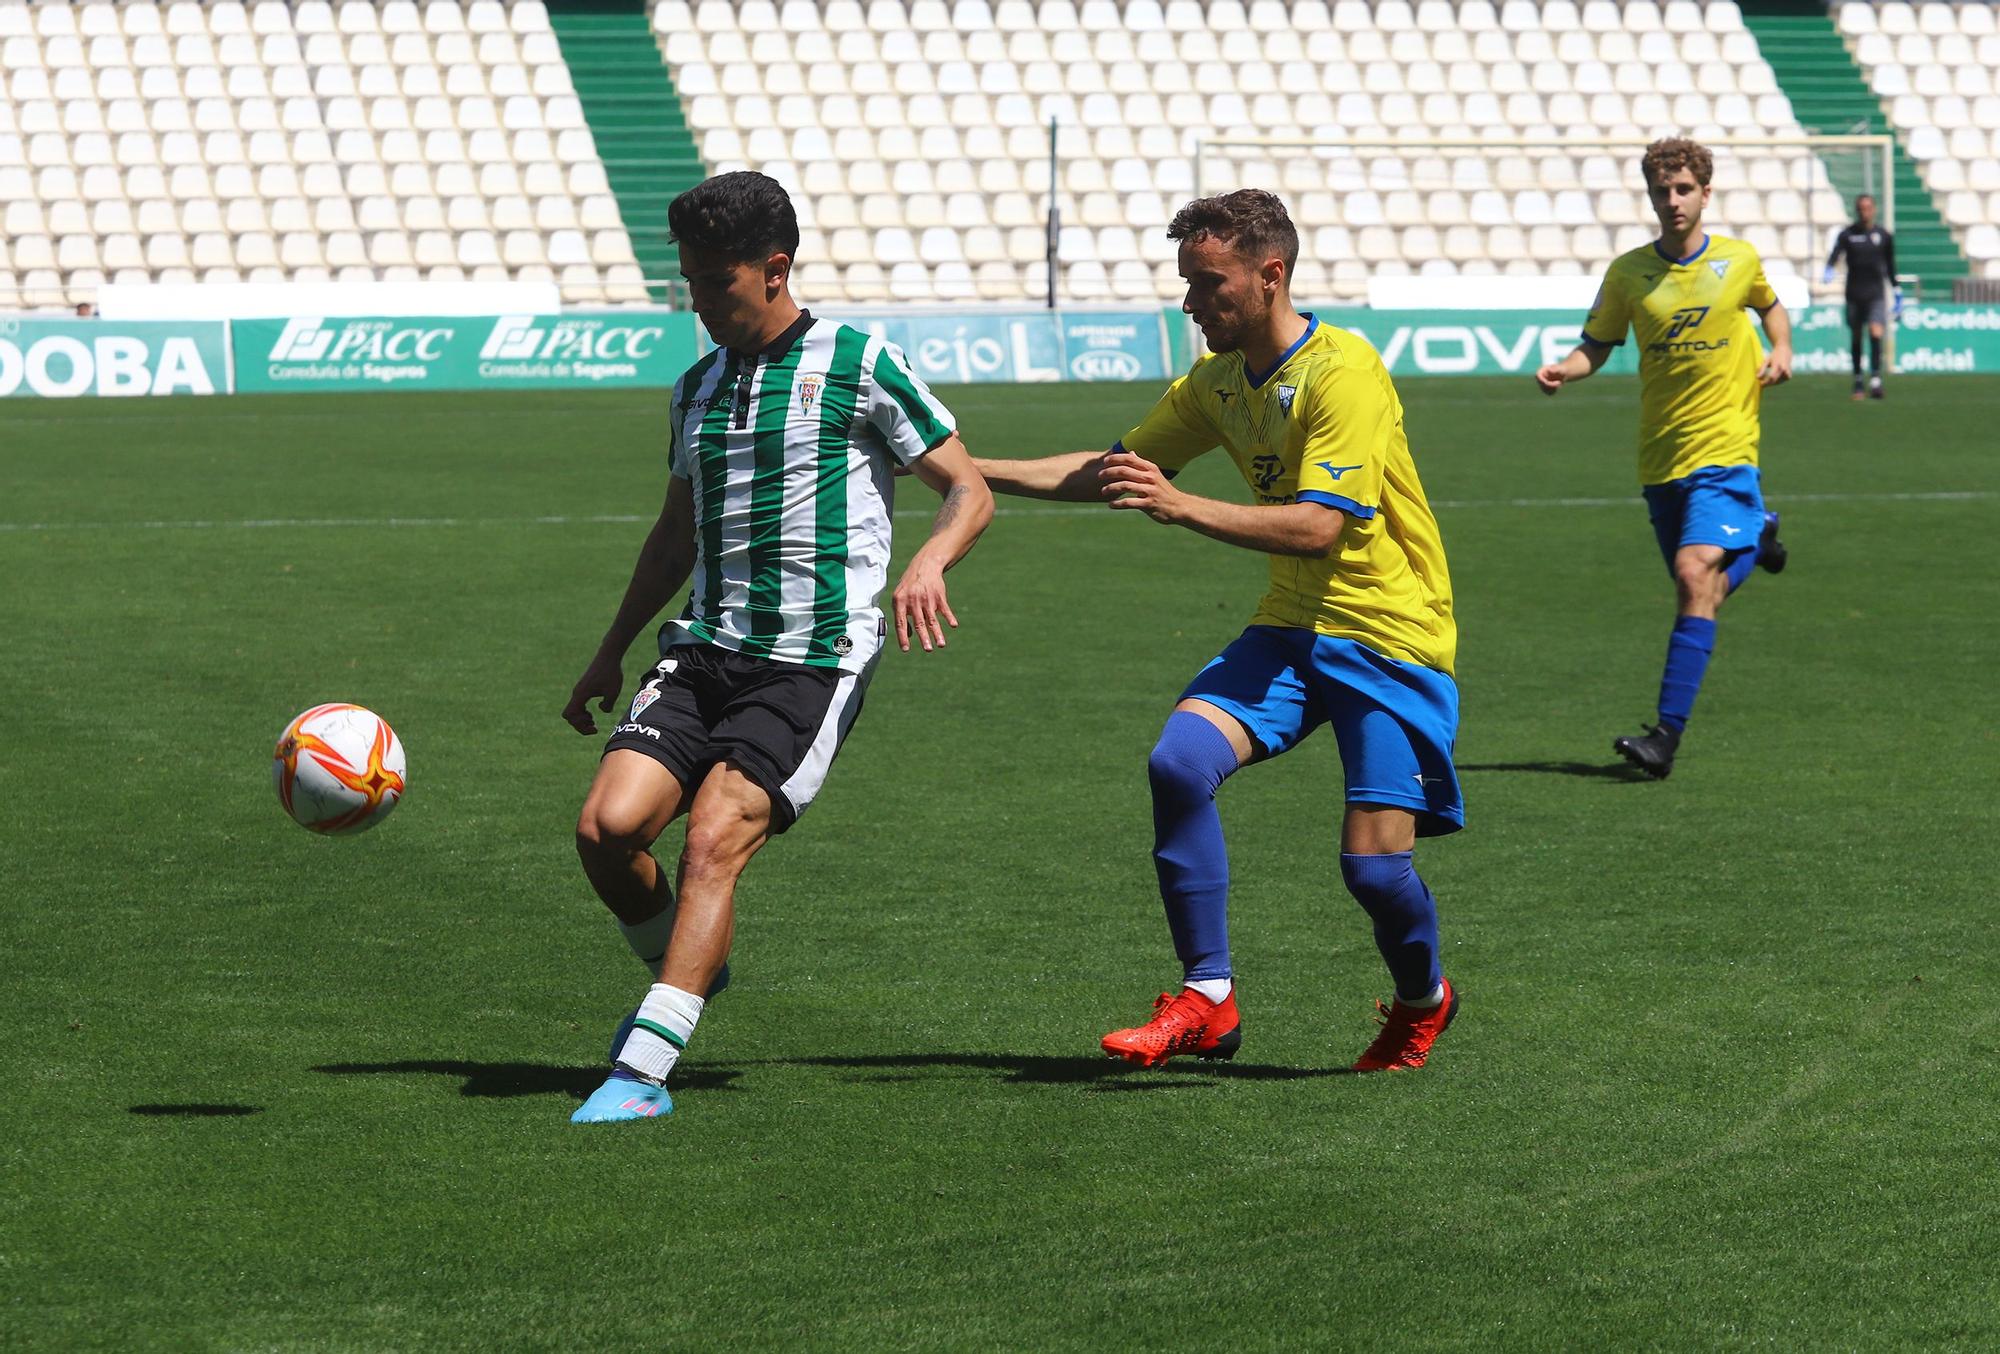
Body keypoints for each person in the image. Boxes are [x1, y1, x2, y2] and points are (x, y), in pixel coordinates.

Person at [974, 190, 1464, 1073]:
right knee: (1177, 762)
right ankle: (1208, 997)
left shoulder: (1342, 373)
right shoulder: (1217, 382)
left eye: (1208, 285)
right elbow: (1114, 469)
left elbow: (1320, 527)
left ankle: (1424, 1000)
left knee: (1375, 875)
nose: (1192, 304)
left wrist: (1181, 505)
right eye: (1187, 285)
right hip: (1292, 627)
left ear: (1270, 275)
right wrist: (962, 466)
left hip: (1390, 635)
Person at [560, 171, 994, 1123]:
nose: (701, 304)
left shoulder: (858, 362)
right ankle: (690, 966)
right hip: (704, 648)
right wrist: (609, 649)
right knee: (606, 831)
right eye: (690, 283)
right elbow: (674, 534)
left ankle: (642, 1070)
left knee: (715, 838)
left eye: (717, 283)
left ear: (775, 269)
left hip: (813, 656)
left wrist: (929, 561)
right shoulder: (695, 391)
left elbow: (968, 487)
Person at [1535, 137, 1793, 779]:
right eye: (1662, 191)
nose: (1672, 201)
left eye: (1684, 190)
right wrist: (1565, 370)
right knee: (1699, 589)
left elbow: (1772, 308)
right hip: (1661, 457)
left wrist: (1780, 349)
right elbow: (1597, 344)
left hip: (1728, 448)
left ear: (1706, 193)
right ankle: (1758, 540)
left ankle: (1665, 738)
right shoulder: (1628, 273)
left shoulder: (1737, 261)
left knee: (1690, 574)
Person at [1824, 194, 1898, 401]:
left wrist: (1897, 289)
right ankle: (1857, 379)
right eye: (1861, 208)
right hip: (1854, 293)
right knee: (1856, 336)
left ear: (1874, 210)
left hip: (1875, 293)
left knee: (1876, 332)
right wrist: (1829, 268)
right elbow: (1836, 254)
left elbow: (1891, 265)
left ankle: (1875, 379)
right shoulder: (1847, 234)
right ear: (1857, 210)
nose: (1865, 212)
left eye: (1868, 208)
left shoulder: (1883, 236)